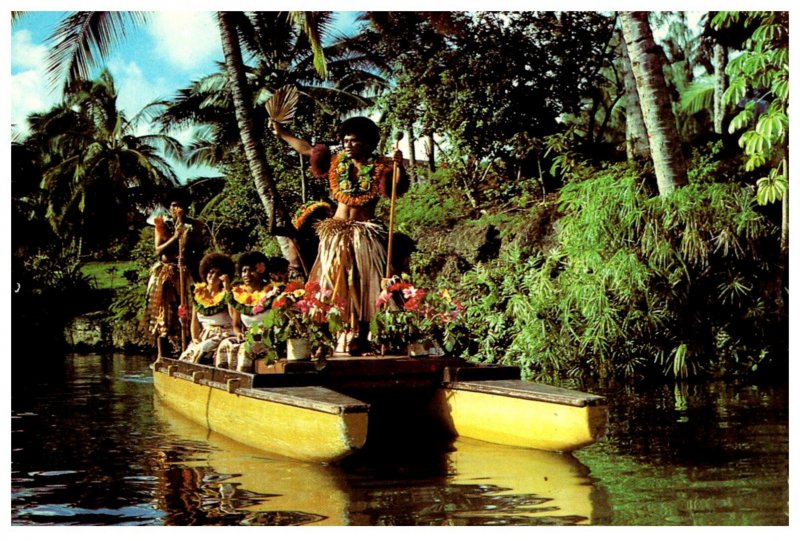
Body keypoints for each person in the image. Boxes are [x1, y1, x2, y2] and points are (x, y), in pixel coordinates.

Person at [271, 116, 409, 355]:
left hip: (364, 233)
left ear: (366, 144)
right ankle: (322, 336)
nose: (347, 145)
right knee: (328, 283)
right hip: (335, 232)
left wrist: (399, 166)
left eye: (353, 141)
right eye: (345, 140)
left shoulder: (381, 167)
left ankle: (363, 336)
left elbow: (396, 186)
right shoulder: (337, 162)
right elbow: (307, 149)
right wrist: (282, 133)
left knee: (365, 284)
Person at [143, 188, 205, 357]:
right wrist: (176, 237)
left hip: (185, 270)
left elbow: (199, 250)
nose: (176, 209)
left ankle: (187, 351)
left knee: (188, 310)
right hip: (166, 272)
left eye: (179, 205)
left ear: (186, 207)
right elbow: (158, 250)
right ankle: (161, 356)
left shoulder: (195, 225)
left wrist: (188, 255)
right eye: (173, 206)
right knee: (163, 312)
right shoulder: (162, 225)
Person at [214, 251, 278, 372]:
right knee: (226, 344)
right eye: (244, 271)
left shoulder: (272, 293)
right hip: (248, 336)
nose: (246, 274)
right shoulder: (240, 296)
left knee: (245, 348)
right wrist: (238, 333)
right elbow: (236, 324)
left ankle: (242, 380)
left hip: (268, 338)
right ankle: (227, 380)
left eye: (250, 270)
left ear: (261, 271)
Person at [177, 253, 235, 364]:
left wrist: (227, 289)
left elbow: (234, 316)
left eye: (218, 274)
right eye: (211, 272)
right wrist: (195, 338)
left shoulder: (228, 293)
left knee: (203, 349)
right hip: (205, 334)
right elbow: (195, 320)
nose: (213, 276)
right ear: (206, 272)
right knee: (186, 357)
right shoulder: (199, 293)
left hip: (224, 333)